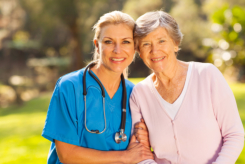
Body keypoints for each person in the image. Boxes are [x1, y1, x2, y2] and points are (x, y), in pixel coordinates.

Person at [130, 11, 244, 164]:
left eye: (161, 41)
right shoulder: (139, 94)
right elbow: (139, 153)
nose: (154, 50)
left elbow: (234, 134)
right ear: (139, 52)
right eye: (146, 44)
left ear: (175, 44)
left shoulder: (207, 75)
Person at [42, 11, 153, 164]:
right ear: (97, 46)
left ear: (135, 47)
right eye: (109, 42)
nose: (117, 50)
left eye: (126, 42)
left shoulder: (135, 93)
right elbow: (67, 155)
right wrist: (126, 157)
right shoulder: (69, 87)